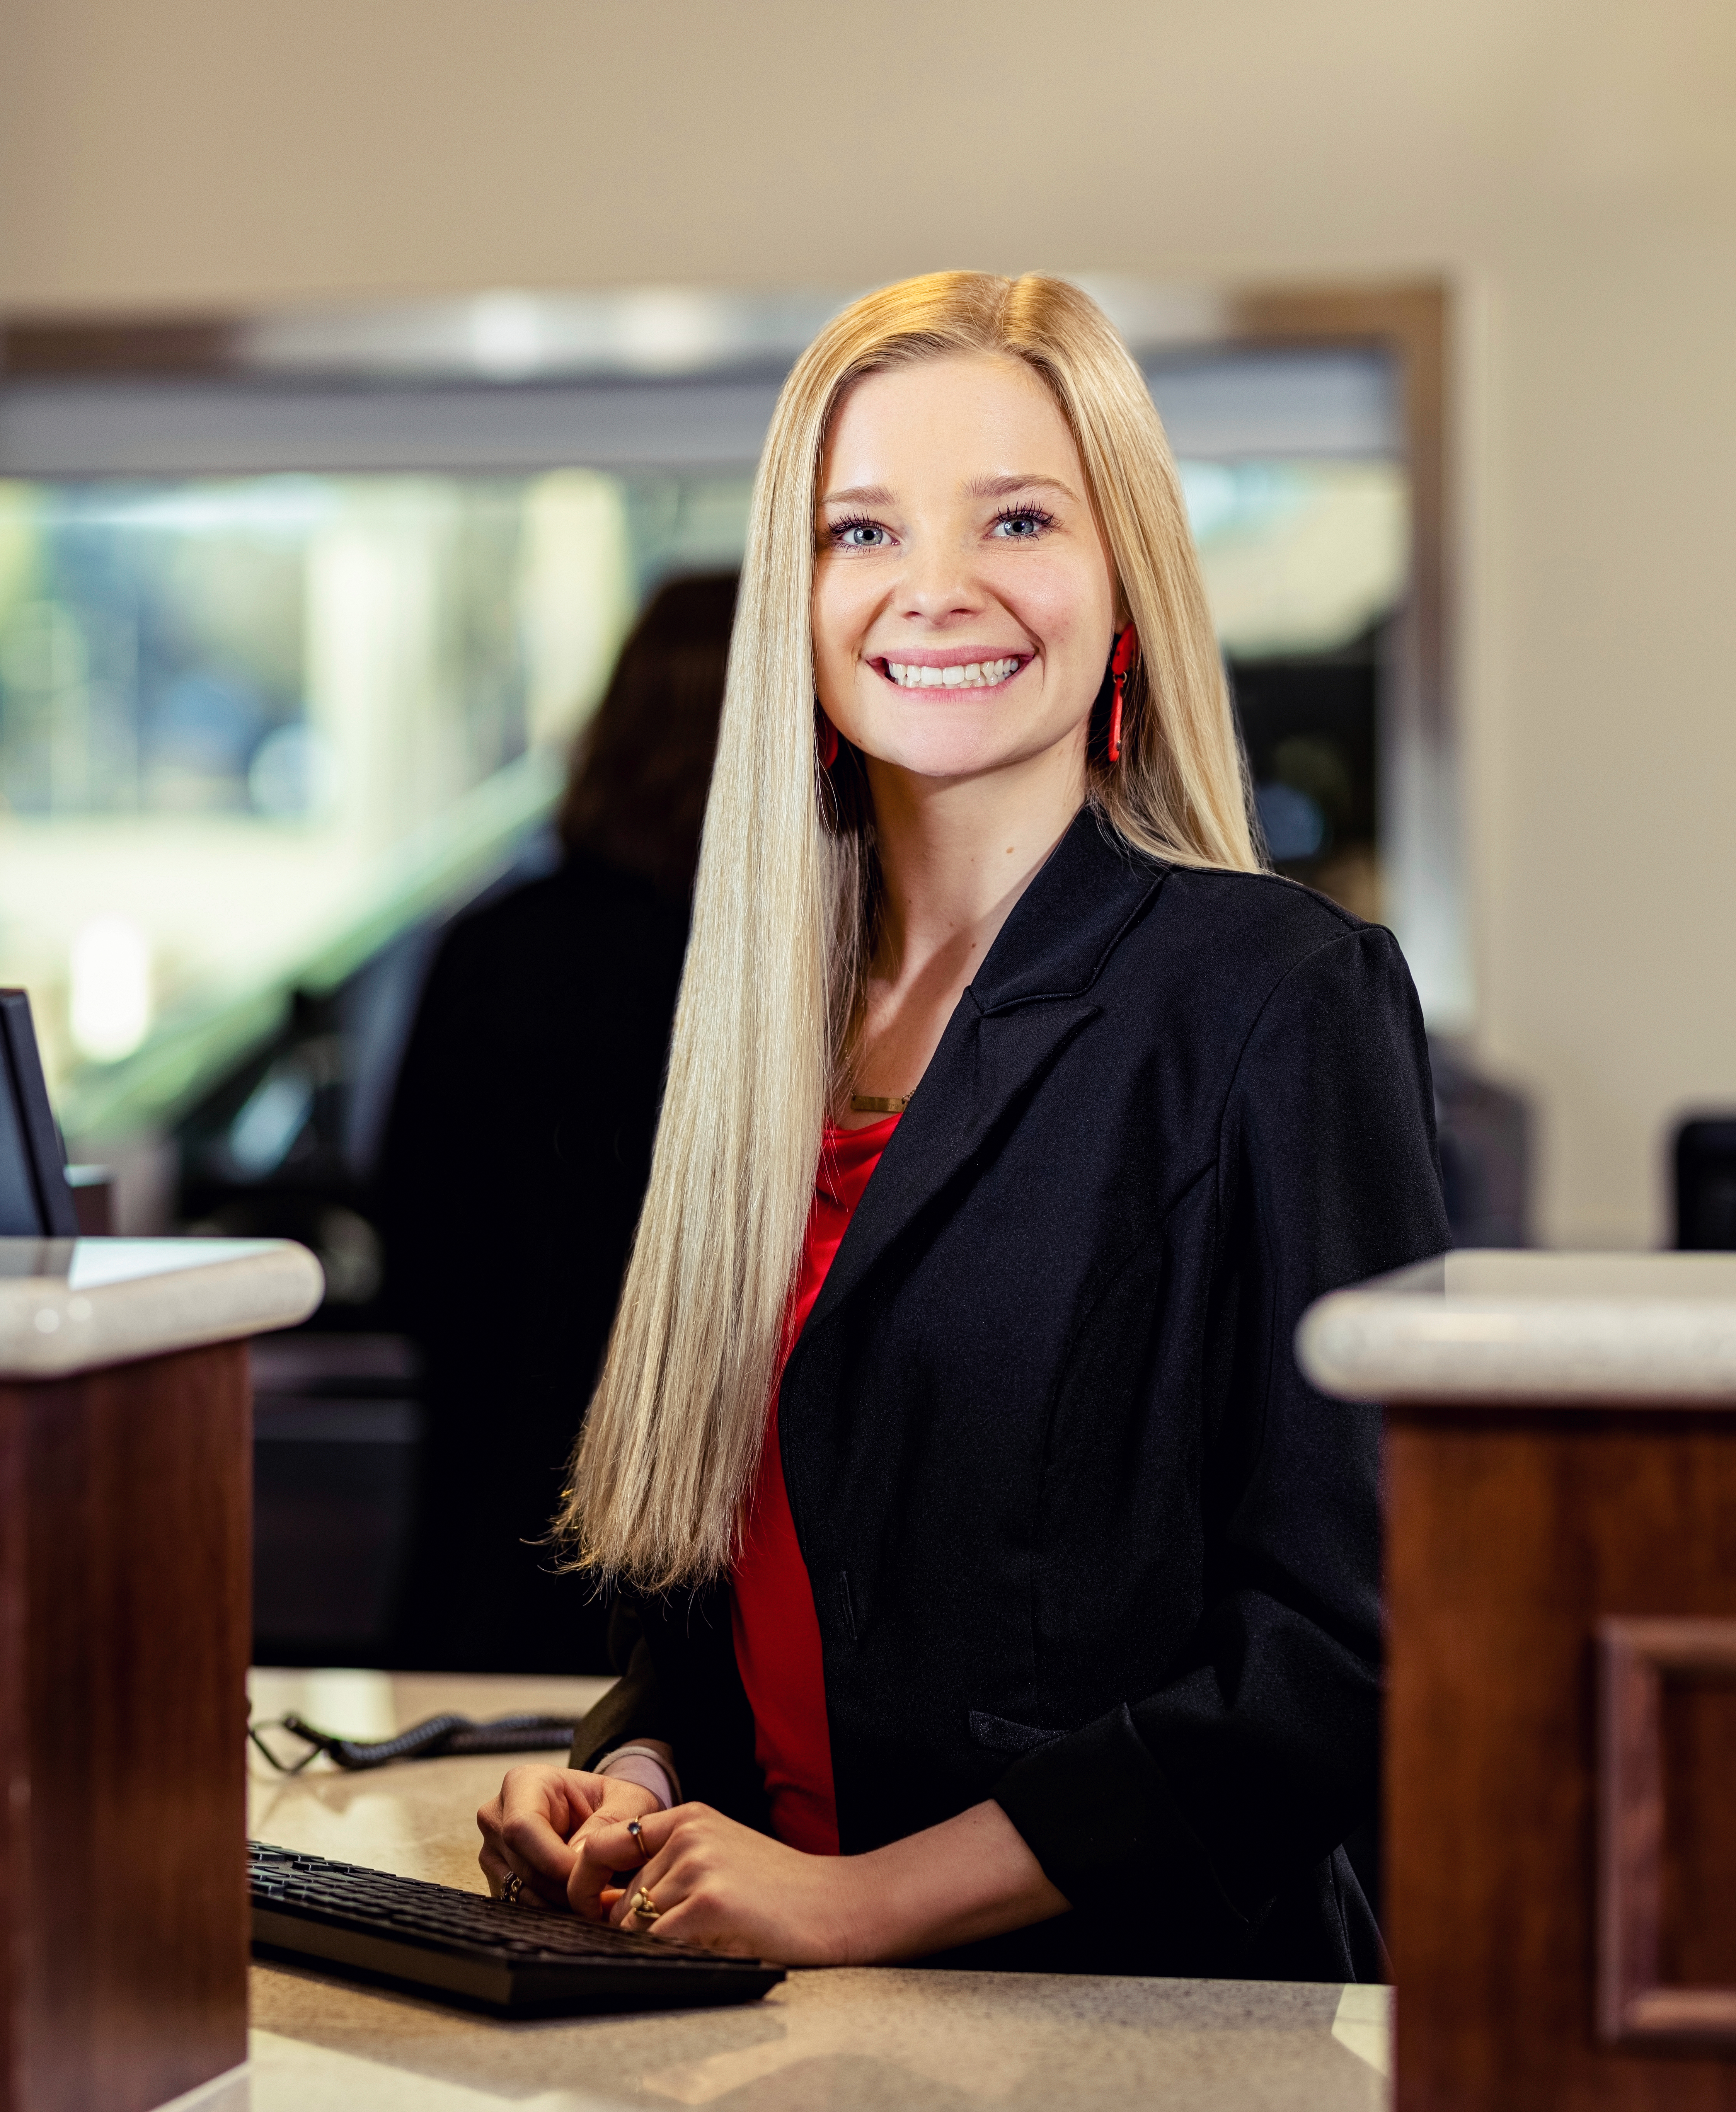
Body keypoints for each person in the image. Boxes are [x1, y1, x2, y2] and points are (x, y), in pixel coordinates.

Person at [473, 272, 1446, 1977]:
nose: (934, 588)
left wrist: (859, 1900)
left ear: (1122, 578)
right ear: (795, 596)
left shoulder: (1272, 998)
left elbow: (1346, 1658)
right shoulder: (752, 1026)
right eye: (860, 531)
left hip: (1146, 2030)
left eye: (1015, 517)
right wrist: (633, 1774)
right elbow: (759, 1592)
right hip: (776, 2025)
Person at [377, 573, 737, 1673]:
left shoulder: (495, 943)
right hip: (705, 1560)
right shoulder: (780, 971)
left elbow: (411, 1234)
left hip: (494, 1528)